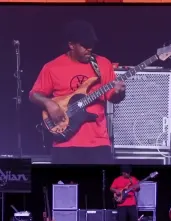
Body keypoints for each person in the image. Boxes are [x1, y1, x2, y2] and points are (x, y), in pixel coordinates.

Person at [29, 20, 126, 164]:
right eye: (84, 45)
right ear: (71, 45)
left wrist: (119, 92)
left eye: (91, 45)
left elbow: (113, 97)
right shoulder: (52, 67)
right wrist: (49, 104)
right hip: (65, 141)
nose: (89, 49)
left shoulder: (103, 63)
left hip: (98, 141)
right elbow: (34, 94)